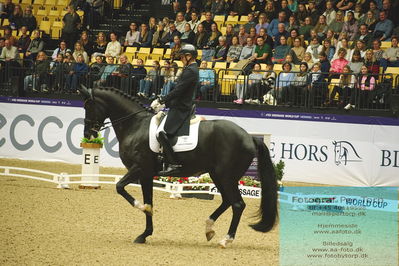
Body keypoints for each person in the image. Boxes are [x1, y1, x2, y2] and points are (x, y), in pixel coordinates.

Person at [153, 44, 199, 176]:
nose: (181, 59)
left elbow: (179, 90)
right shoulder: (190, 68)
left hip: (181, 108)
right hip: (179, 105)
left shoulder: (191, 70)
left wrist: (161, 100)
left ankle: (173, 163)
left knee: (161, 133)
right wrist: (165, 101)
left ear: (189, 56)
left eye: (182, 57)